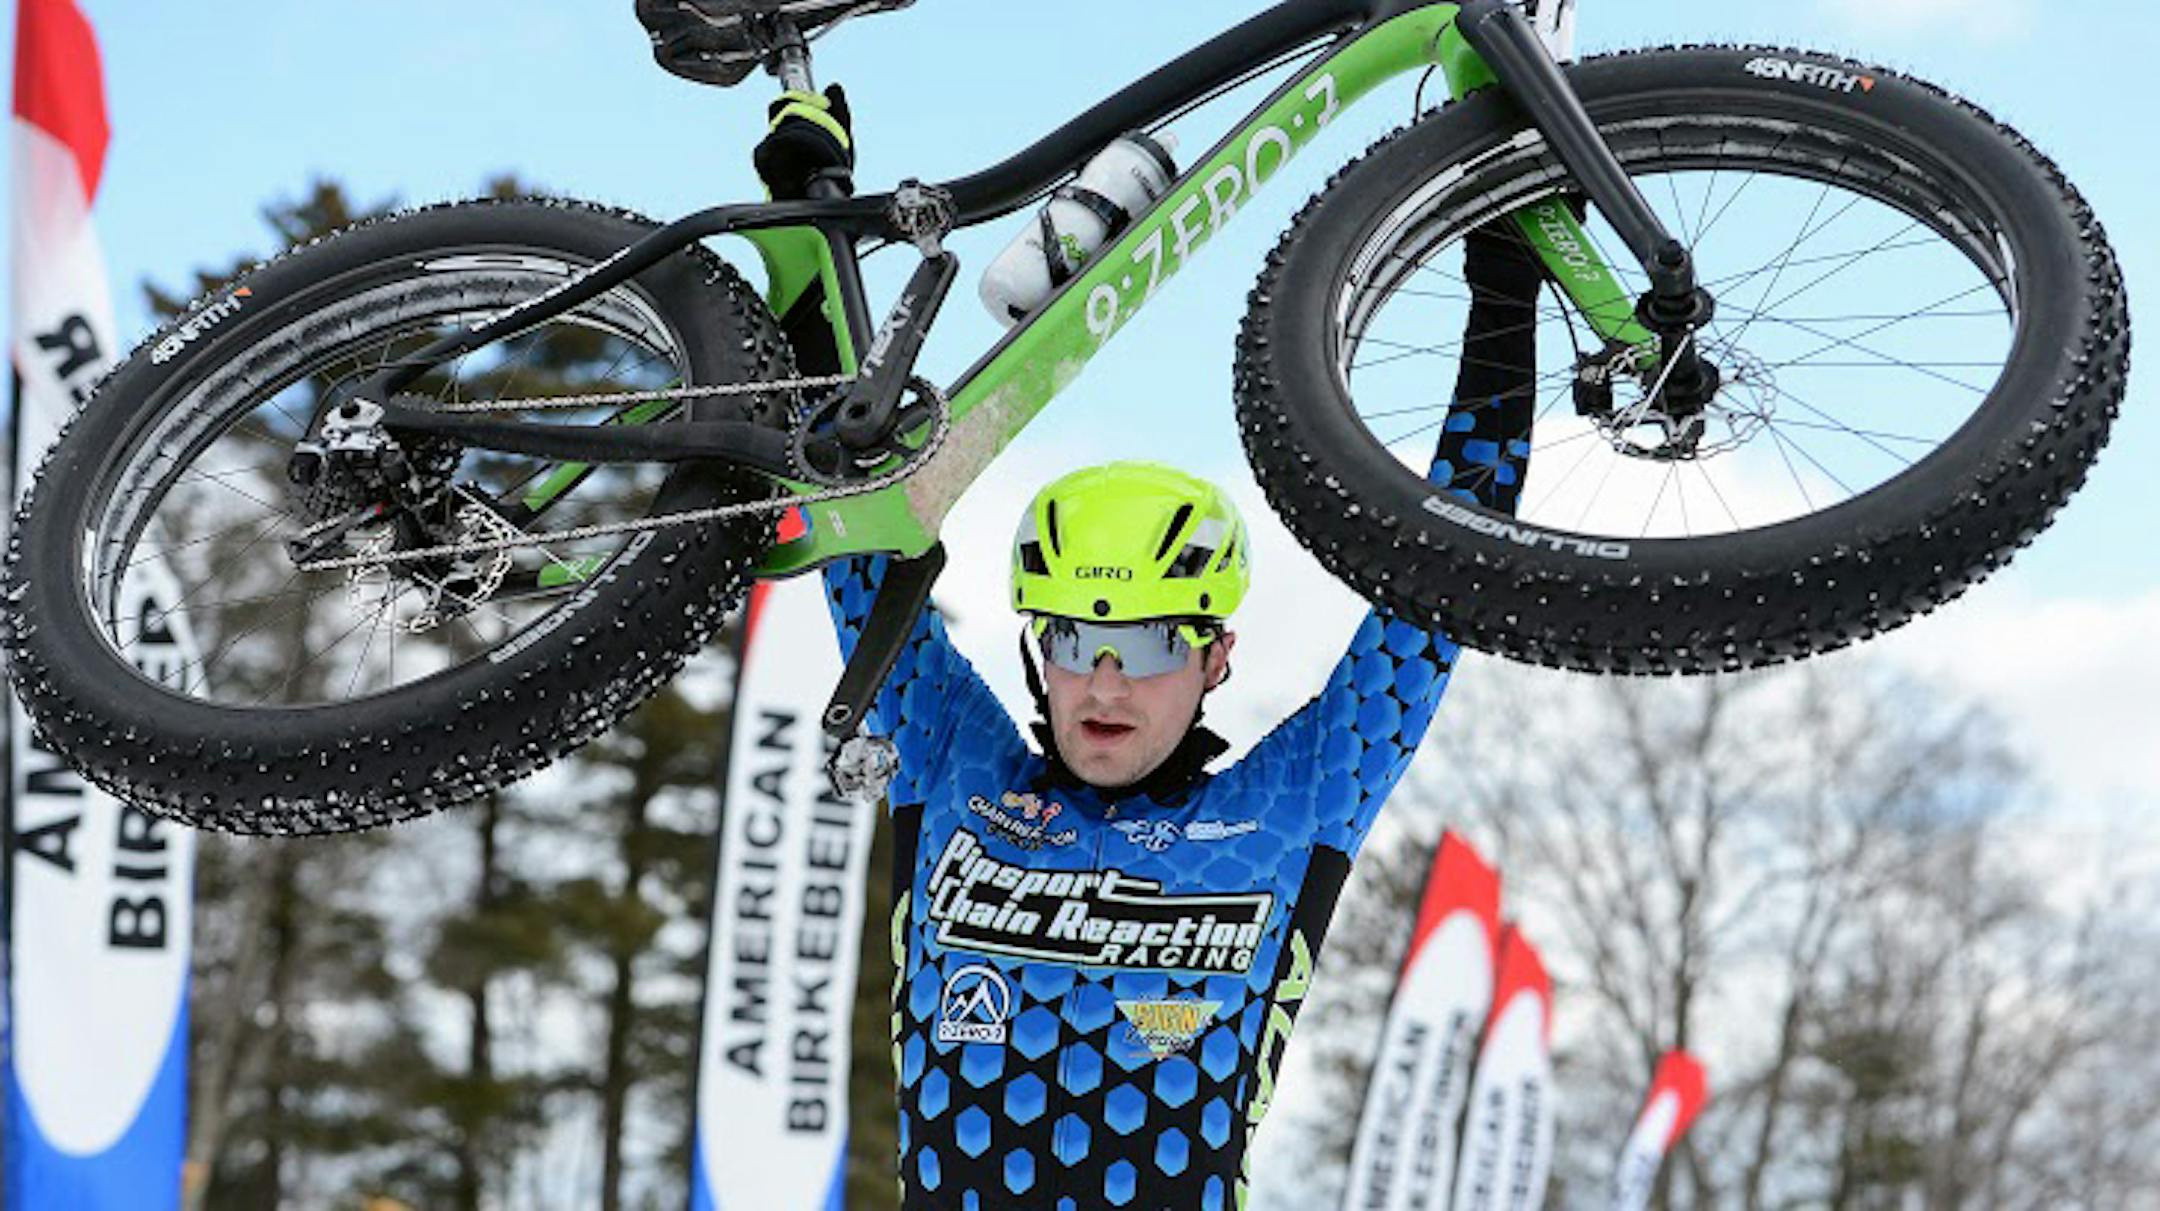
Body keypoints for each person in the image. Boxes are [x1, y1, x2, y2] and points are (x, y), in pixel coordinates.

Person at [822, 227, 1540, 1210]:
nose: (1107, 685)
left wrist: (1503, 286)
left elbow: (1446, 578)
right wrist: (813, 213)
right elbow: (844, 512)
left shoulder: (1287, 809)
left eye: (1156, 645)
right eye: (1075, 641)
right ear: (1041, 653)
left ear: (1215, 659)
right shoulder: (956, 770)